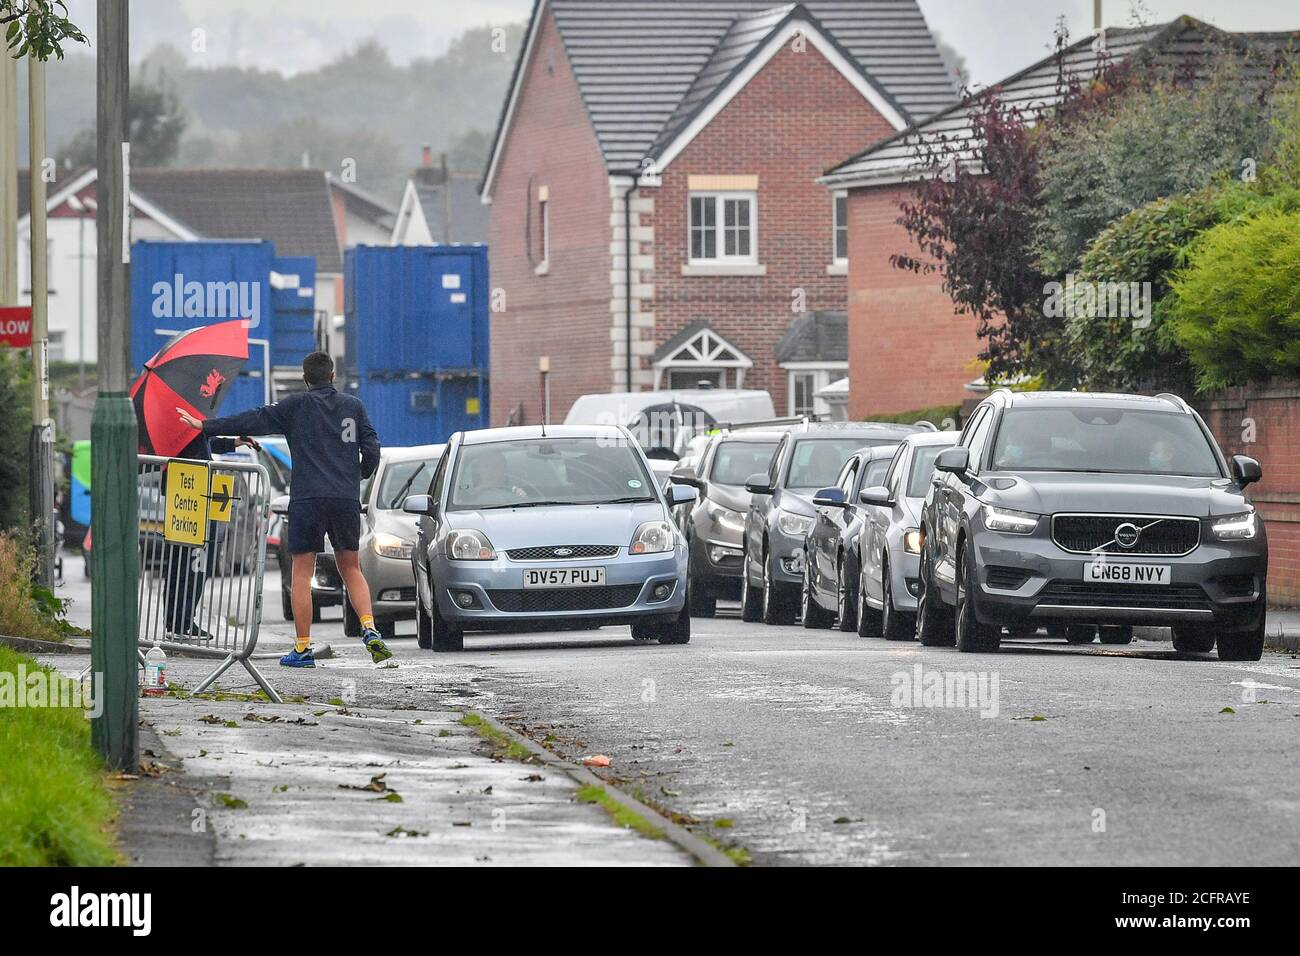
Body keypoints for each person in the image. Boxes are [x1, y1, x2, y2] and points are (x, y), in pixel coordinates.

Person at [177, 351, 389, 667]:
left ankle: (303, 648)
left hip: (307, 498)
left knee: (302, 573)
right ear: (332, 376)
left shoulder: (294, 406)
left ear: (305, 379)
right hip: (344, 498)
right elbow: (372, 449)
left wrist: (205, 425)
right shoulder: (353, 407)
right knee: (351, 568)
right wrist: (357, 475)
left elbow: (251, 419)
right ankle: (370, 629)